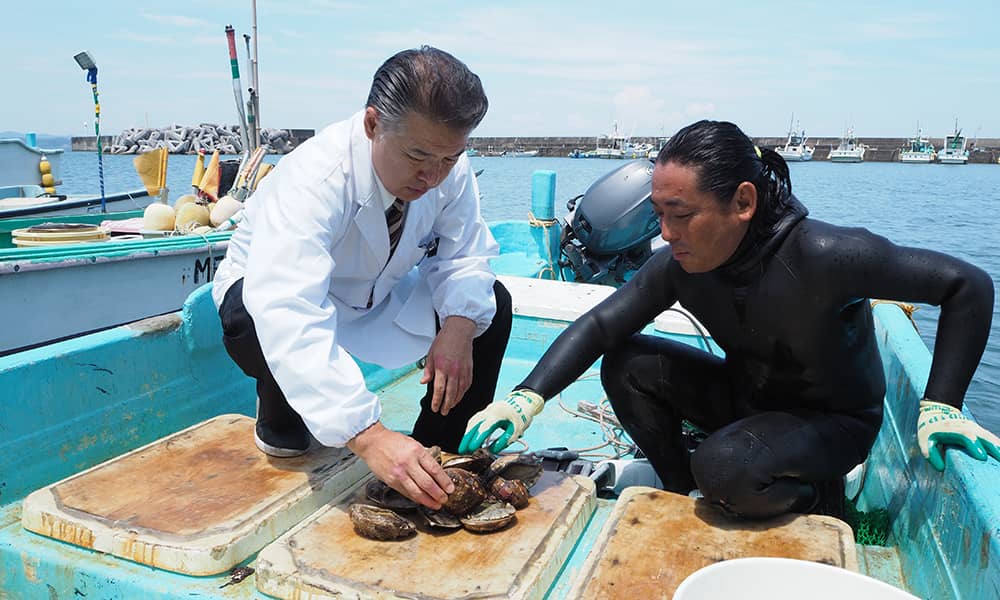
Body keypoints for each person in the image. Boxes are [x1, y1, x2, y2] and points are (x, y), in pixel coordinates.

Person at [460, 119, 998, 519]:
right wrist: (526, 397)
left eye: (683, 215)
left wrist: (942, 404)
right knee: (627, 362)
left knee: (723, 468)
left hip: (832, 425)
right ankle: (679, 488)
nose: (666, 233)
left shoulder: (829, 255)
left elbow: (966, 285)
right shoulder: (682, 264)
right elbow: (603, 325)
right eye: (659, 215)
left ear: (743, 202)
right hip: (746, 401)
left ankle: (816, 494)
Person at [212, 46, 512, 511]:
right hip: (268, 298)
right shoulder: (315, 176)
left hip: (373, 298)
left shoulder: (446, 163)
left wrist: (458, 328)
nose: (433, 176)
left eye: (449, 159)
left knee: (488, 304)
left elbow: (466, 255)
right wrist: (368, 436)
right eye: (417, 155)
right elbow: (287, 306)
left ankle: (437, 460)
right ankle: (278, 409)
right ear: (373, 124)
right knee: (259, 328)